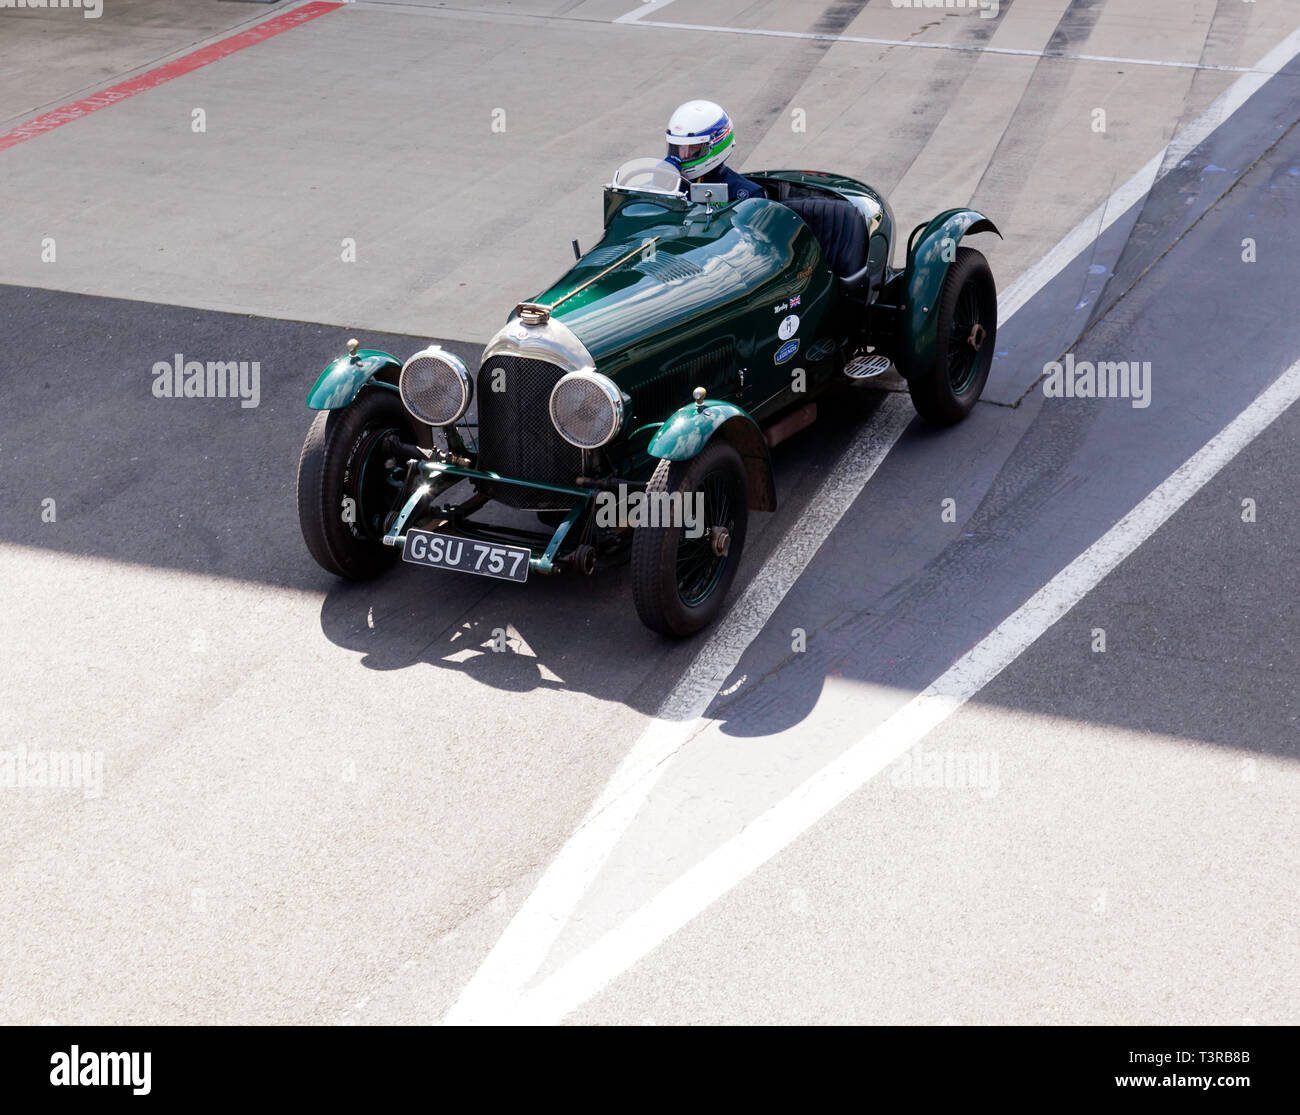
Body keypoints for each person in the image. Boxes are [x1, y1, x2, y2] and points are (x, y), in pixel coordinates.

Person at [664, 100, 764, 202]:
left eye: (693, 147)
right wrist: (659, 189)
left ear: (717, 144)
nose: (683, 155)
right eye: (678, 147)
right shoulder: (668, 184)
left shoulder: (747, 194)